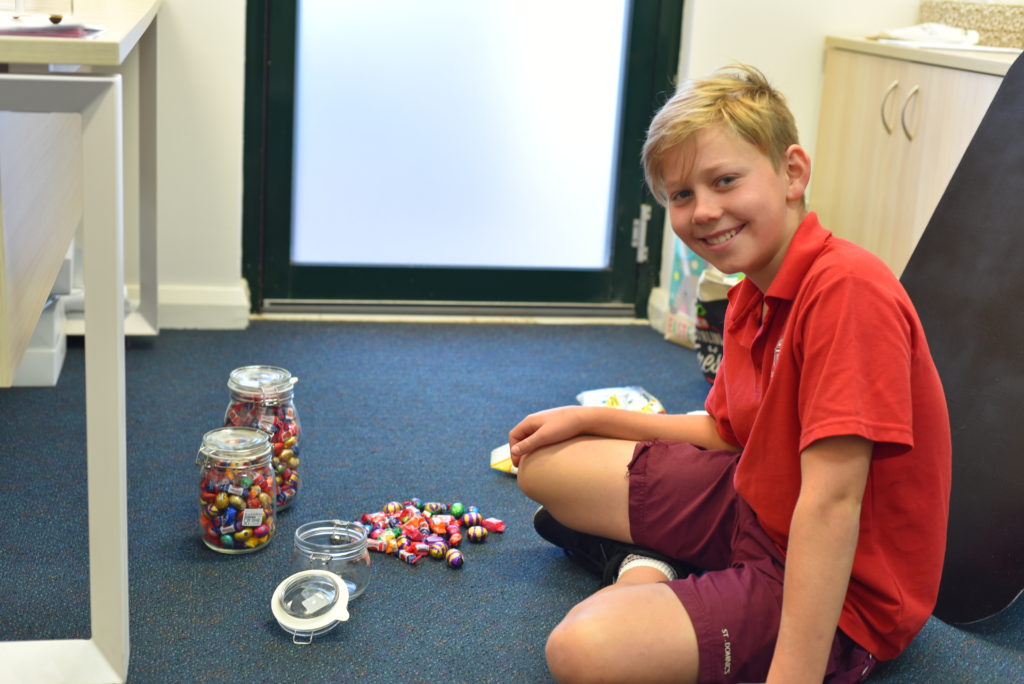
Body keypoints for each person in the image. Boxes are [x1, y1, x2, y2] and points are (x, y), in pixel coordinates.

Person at [508, 64, 951, 684]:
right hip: (755, 502)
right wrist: (587, 418)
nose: (705, 211)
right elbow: (725, 431)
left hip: (838, 584)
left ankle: (651, 568)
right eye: (681, 195)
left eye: (725, 181)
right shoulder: (751, 291)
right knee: (544, 464)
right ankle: (657, 563)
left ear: (793, 173)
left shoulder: (848, 290)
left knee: (582, 650)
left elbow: (832, 503)